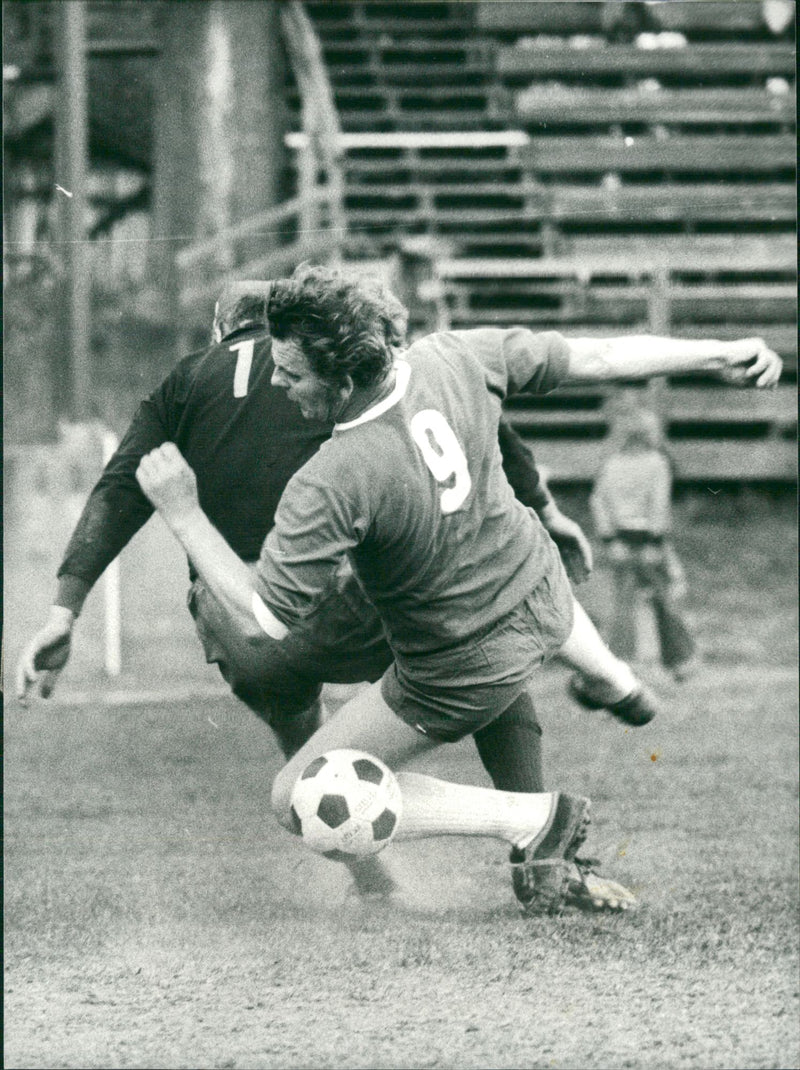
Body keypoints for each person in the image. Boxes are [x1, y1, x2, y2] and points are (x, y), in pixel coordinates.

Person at [134, 264, 780, 915]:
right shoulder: (455, 355)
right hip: (541, 591)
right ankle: (612, 677)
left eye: (293, 374)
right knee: (539, 590)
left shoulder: (334, 478)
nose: (278, 383)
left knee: (295, 795)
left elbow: (264, 619)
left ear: (346, 379)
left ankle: (530, 819)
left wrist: (185, 515)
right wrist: (719, 352)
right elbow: (600, 355)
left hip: (458, 670)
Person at [15, 280, 642, 911]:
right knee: (481, 654)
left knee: (306, 741)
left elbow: (120, 487)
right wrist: (545, 508)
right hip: (348, 597)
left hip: (249, 628)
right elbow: (482, 426)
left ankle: (371, 879)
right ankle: (541, 853)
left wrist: (62, 610)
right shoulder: (348, 370)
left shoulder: (183, 382)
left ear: (218, 332)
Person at [585, 405, 697, 682]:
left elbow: (598, 501)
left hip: (619, 540)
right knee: (664, 599)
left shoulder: (612, 464)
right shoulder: (657, 464)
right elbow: (658, 504)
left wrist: (608, 537)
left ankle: (622, 661)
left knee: (622, 604)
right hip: (649, 539)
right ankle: (680, 660)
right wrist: (655, 539)